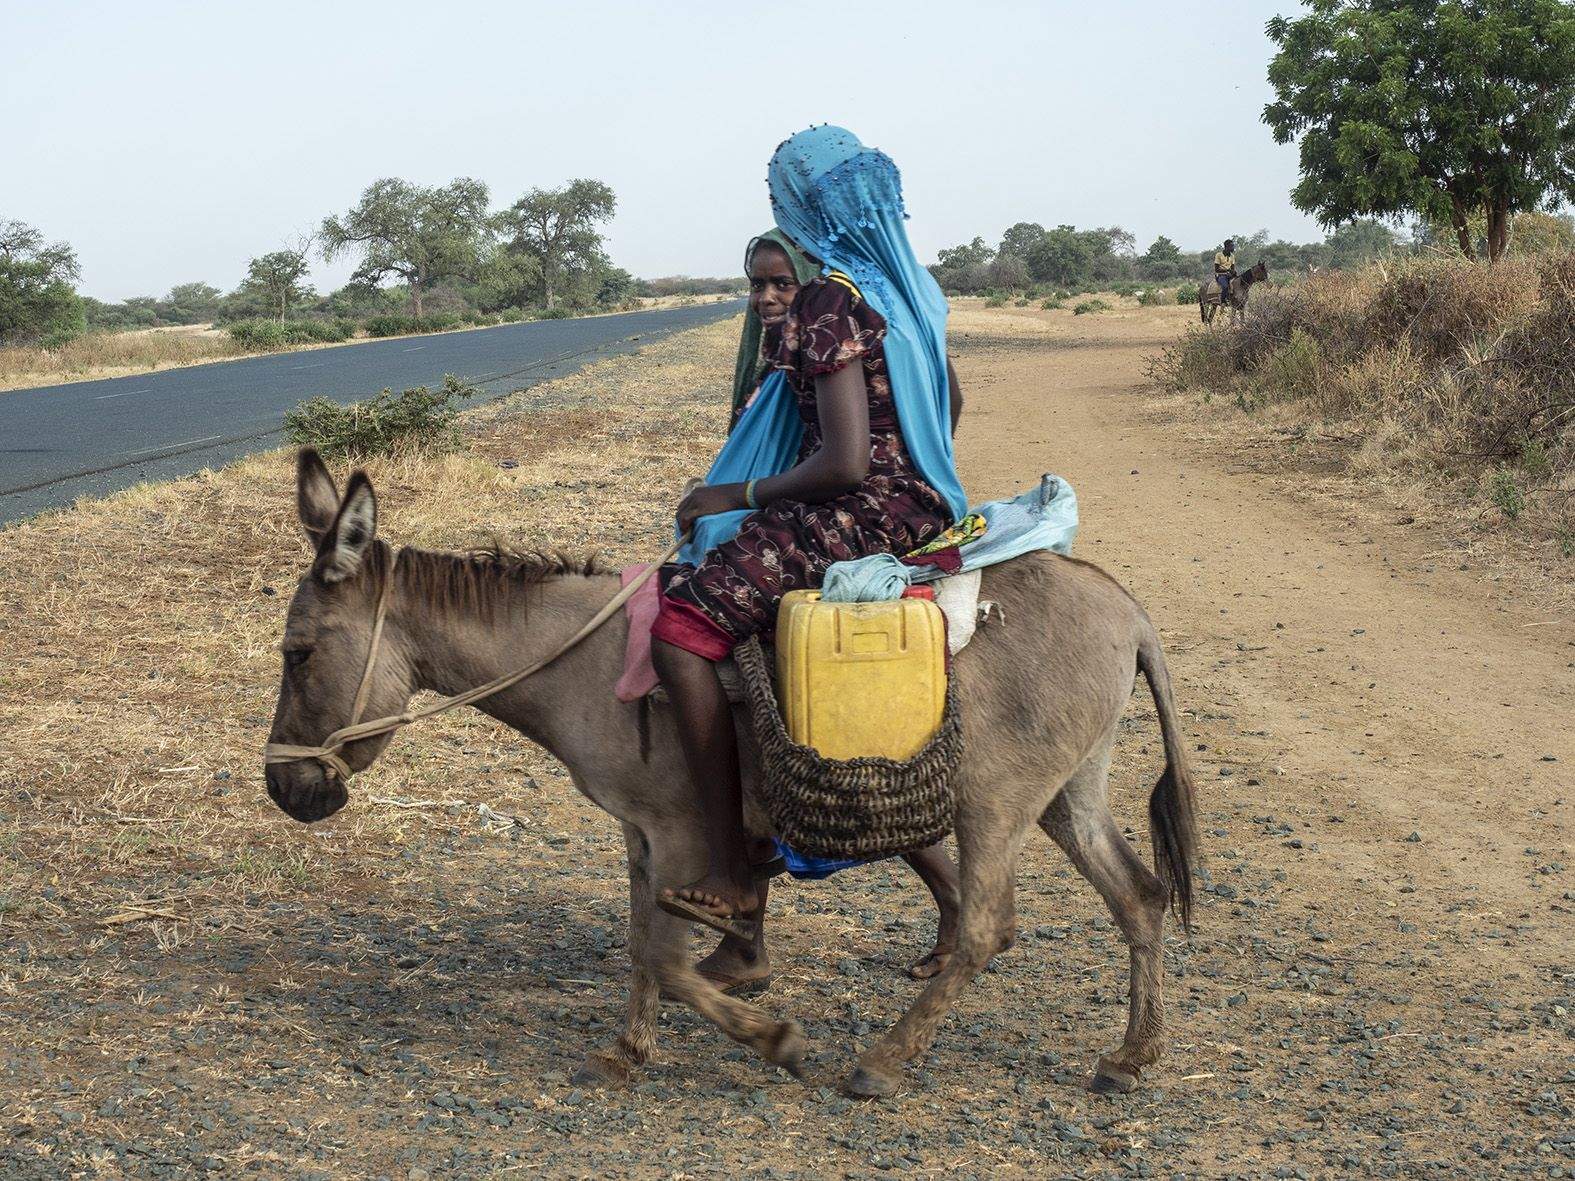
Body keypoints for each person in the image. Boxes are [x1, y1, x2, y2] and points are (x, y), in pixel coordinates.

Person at [651, 126, 968, 972]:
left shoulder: (830, 299)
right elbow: (951, 402)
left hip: (861, 509)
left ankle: (729, 873)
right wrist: (915, 471)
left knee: (680, 628)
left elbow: (843, 463)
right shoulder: (905, 287)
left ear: (801, 206)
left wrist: (734, 495)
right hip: (919, 502)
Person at [1214, 239, 1237, 307]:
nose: (1233, 248)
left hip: (1229, 275)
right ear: (1226, 246)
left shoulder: (1232, 256)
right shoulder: (1219, 255)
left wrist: (1233, 272)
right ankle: (1223, 301)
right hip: (1221, 275)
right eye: (1231, 246)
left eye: (1233, 246)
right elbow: (1216, 269)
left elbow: (1232, 268)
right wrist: (1227, 271)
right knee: (1225, 286)